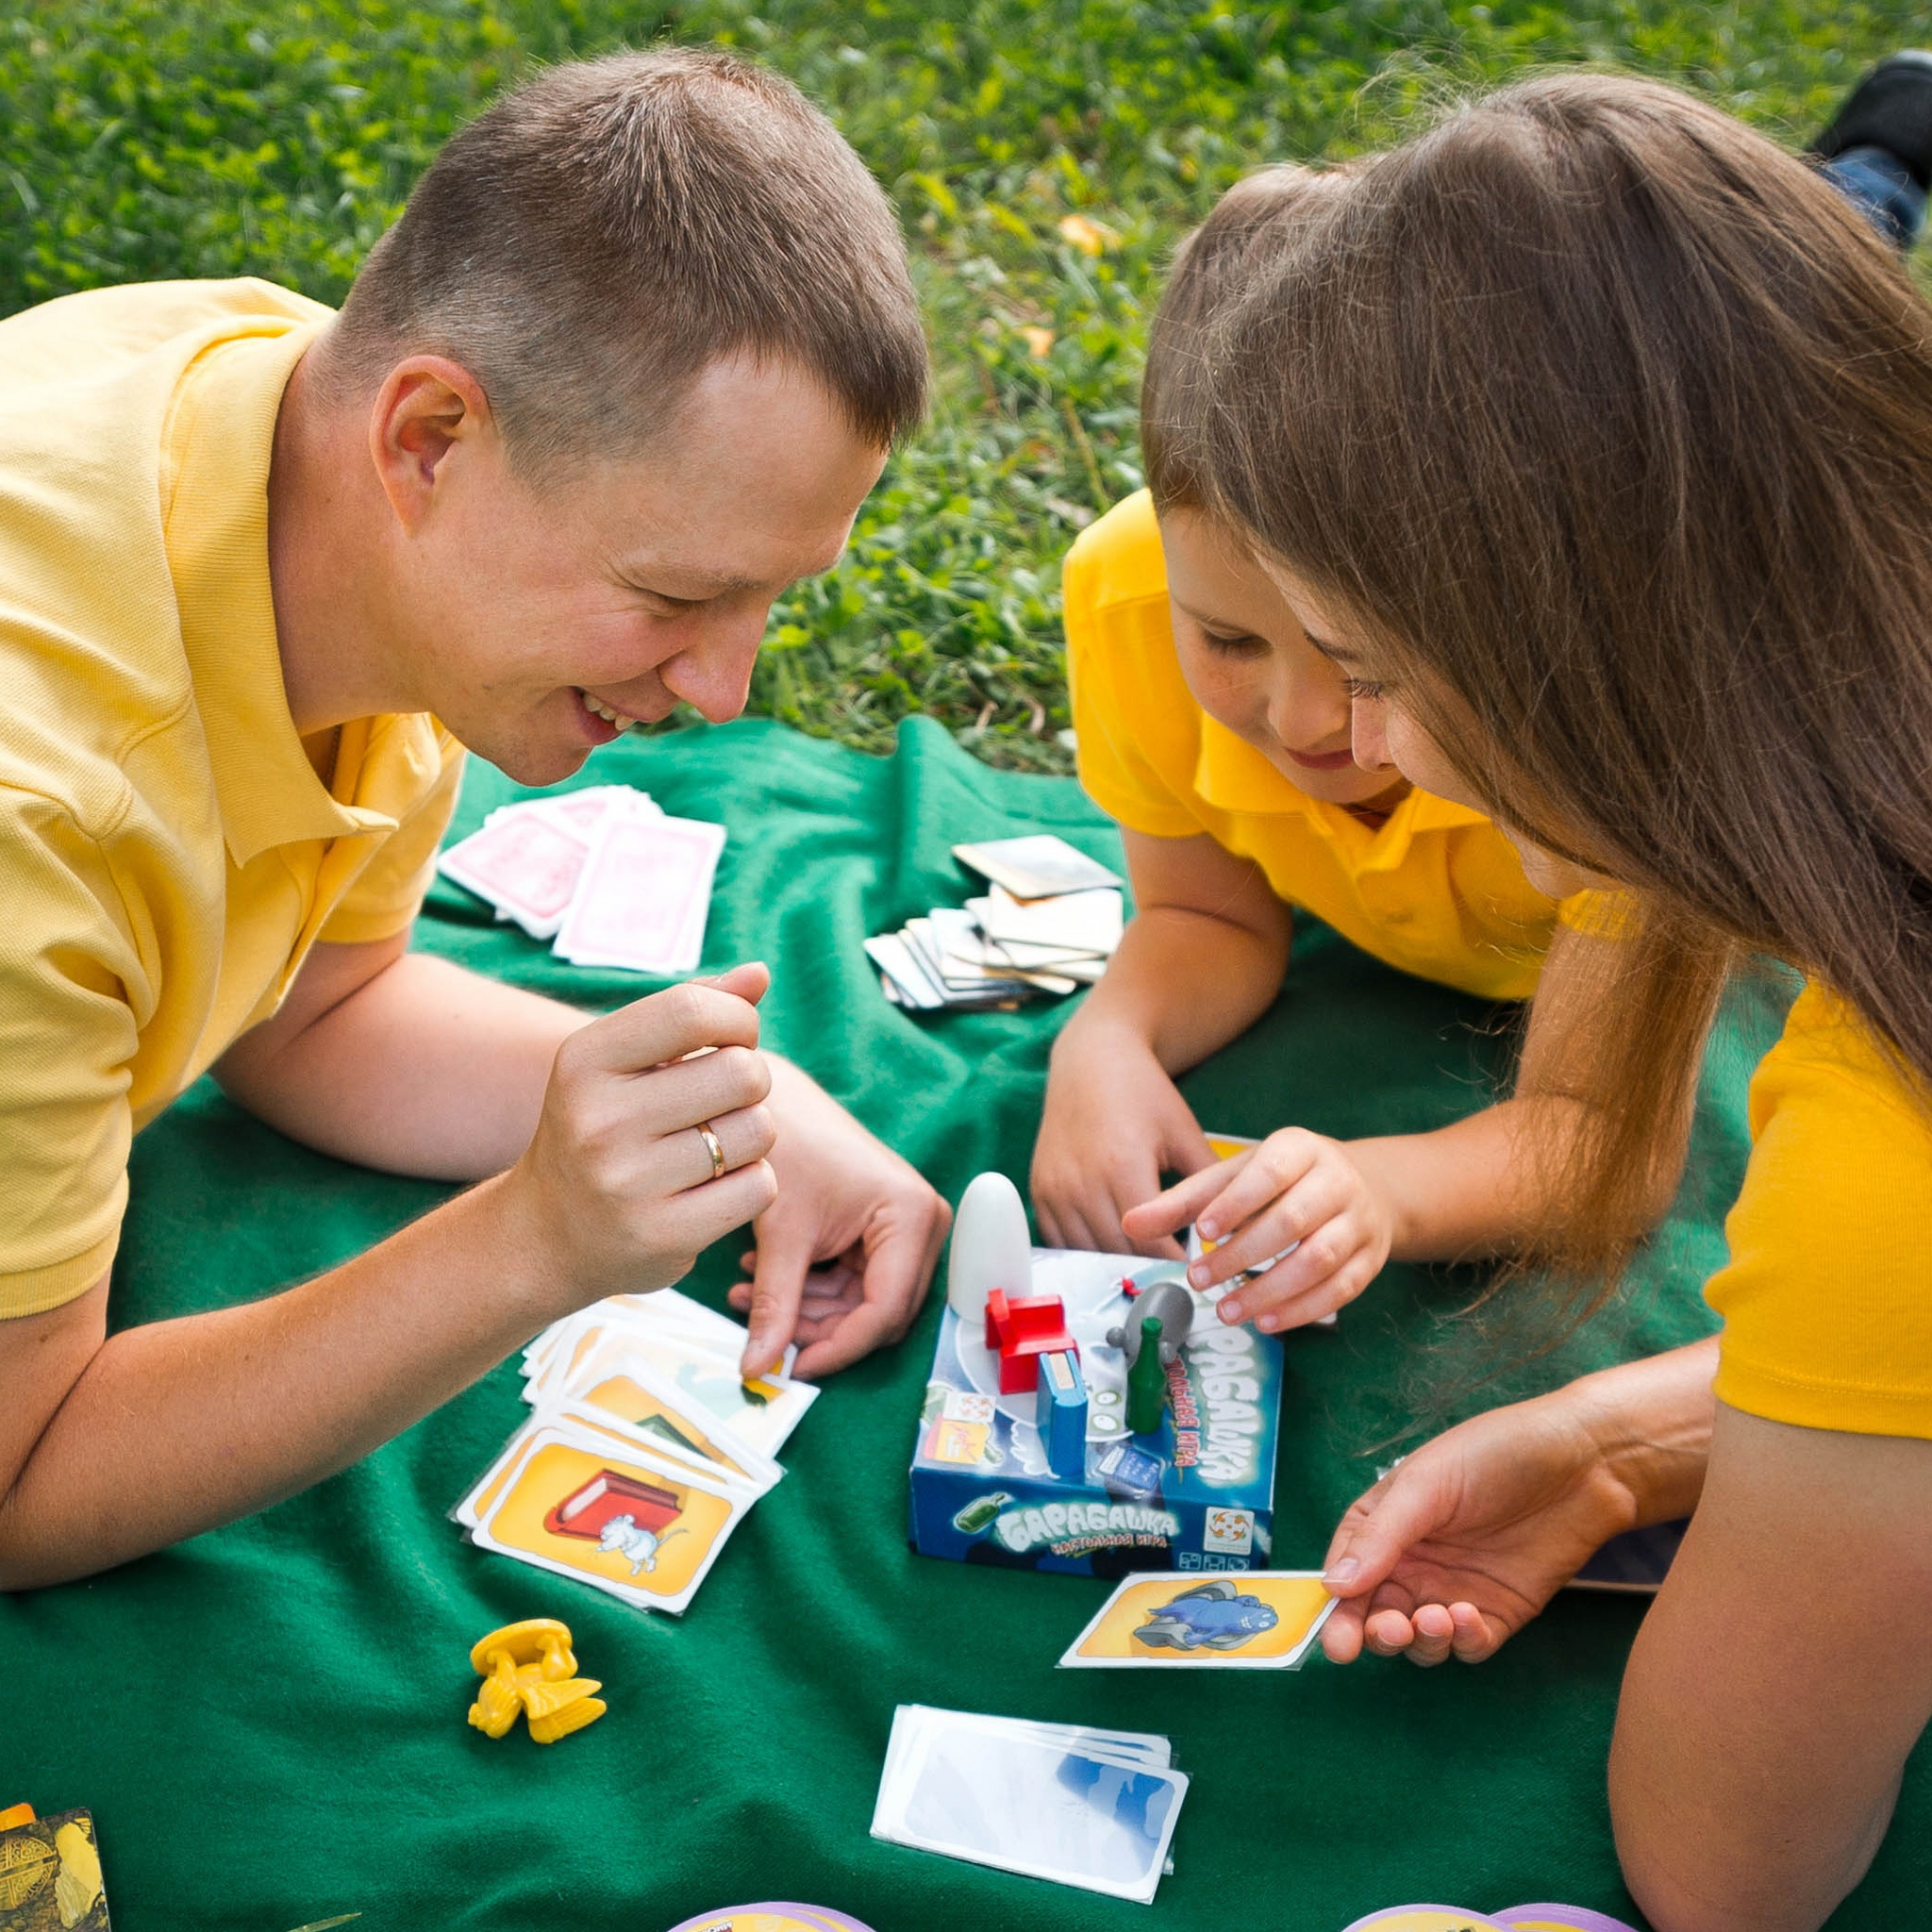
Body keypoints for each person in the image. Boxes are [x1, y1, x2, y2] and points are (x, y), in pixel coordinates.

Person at [0, 49, 950, 1592]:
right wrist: (530, 1244)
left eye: (774, 599)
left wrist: (758, 1112)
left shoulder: (300, 445)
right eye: (675, 593)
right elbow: (17, 1482)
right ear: (428, 438)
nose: (725, 689)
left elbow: (316, 1001)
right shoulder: (36, 828)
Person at [1195, 64, 1932, 1932]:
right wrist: (1625, 1440)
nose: (1356, 748)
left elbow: (1728, 1862)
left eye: (1372, 667)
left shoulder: (1881, 1161)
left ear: (1572, 660)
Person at [1031, 168, 1659, 1335]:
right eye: (1225, 638)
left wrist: (1386, 1189)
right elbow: (1207, 918)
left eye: (1370, 660)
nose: (1315, 723)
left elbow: (1602, 1136)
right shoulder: (1121, 594)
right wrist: (1106, 1039)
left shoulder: (1605, 707)